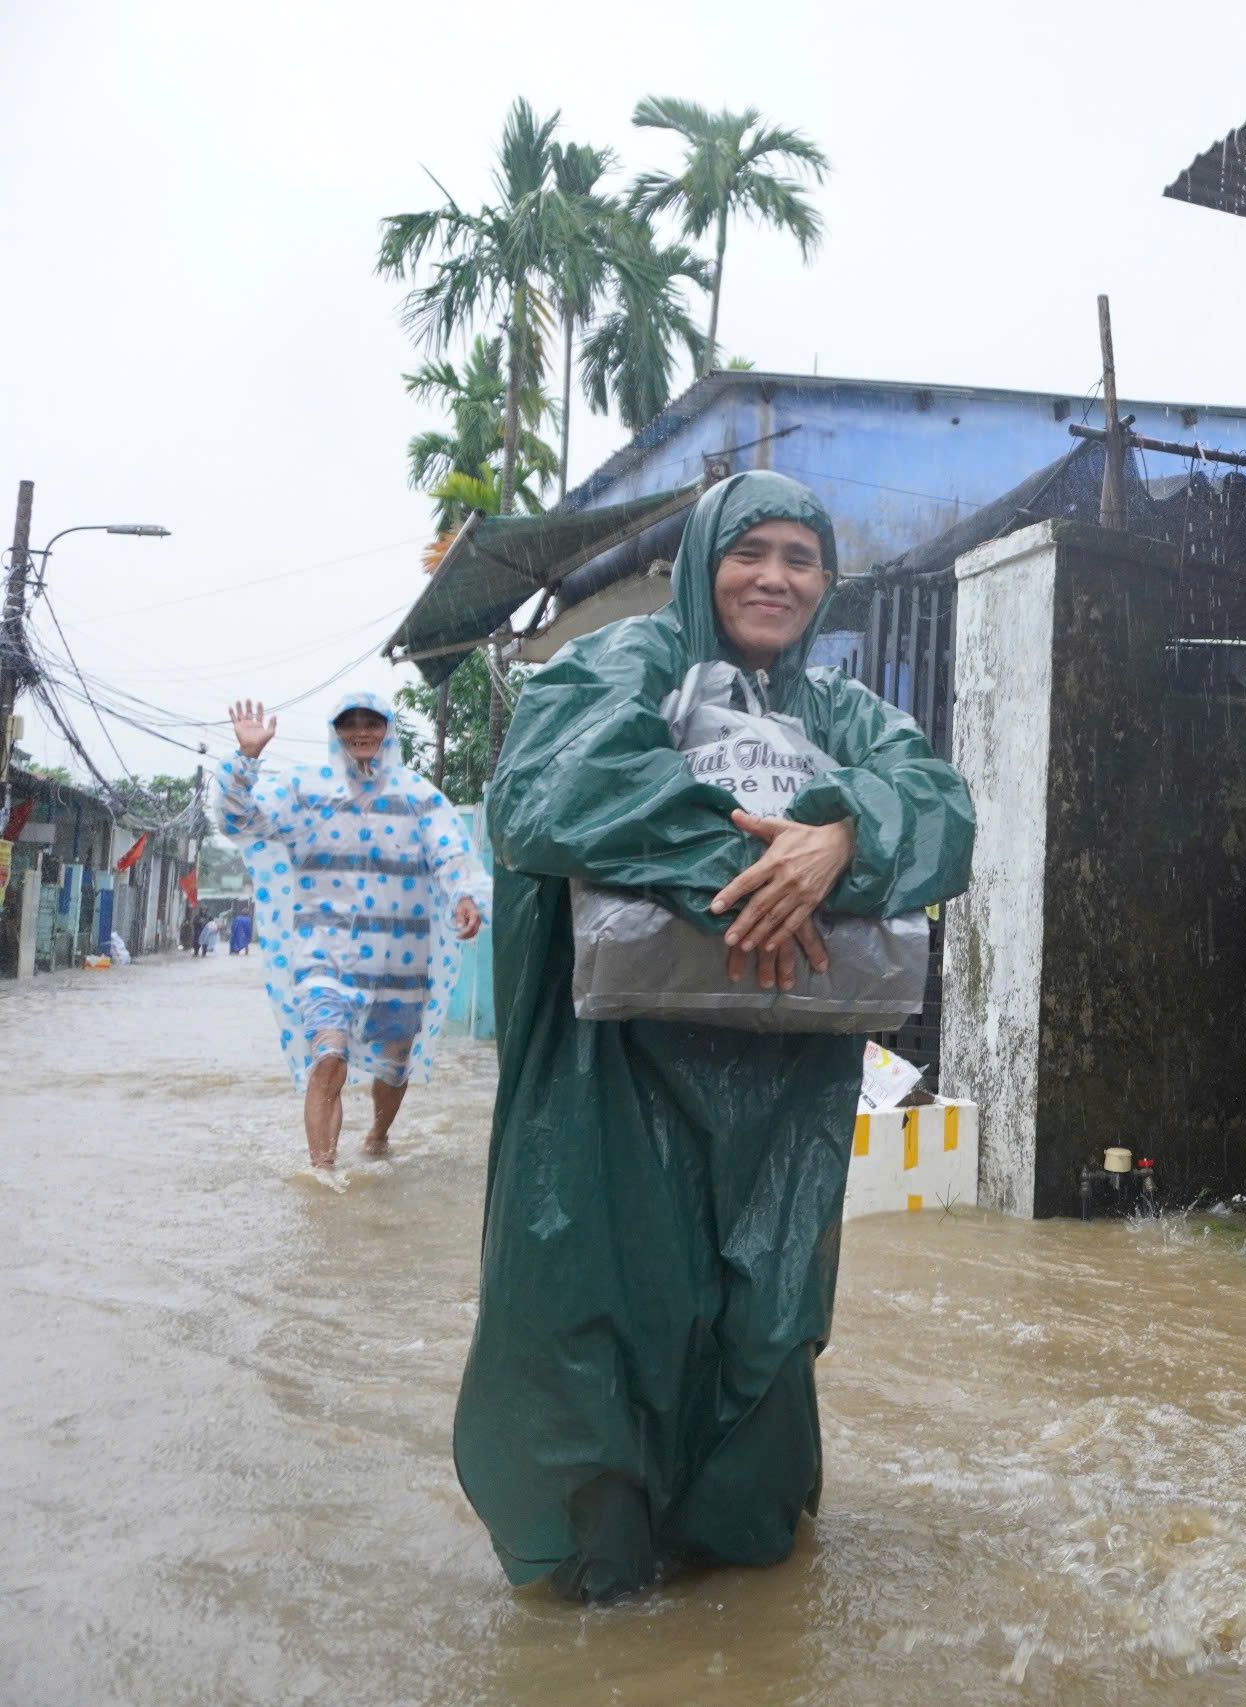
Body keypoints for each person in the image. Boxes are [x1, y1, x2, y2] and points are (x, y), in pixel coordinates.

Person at [452, 470, 974, 1602]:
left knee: (766, 1323)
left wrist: (841, 836)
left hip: (781, 1095)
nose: (776, 578)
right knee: (600, 1314)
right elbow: (555, 790)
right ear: (702, 562)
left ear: (827, 583)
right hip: (608, 1086)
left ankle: (738, 1582)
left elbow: (940, 808)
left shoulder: (841, 715)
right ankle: (602, 1588)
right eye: (753, 552)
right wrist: (753, 871)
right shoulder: (621, 665)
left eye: (801, 557)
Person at [219, 691, 490, 1172]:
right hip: (324, 956)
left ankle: (378, 1135)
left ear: (388, 730)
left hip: (399, 962)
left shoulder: (418, 795)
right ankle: (322, 1172)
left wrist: (464, 897)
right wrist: (247, 757)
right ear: (335, 731)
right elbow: (241, 820)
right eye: (350, 723)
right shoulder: (304, 790)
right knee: (328, 1058)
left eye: (373, 722)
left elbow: (451, 854)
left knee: (394, 1066)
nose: (362, 731)